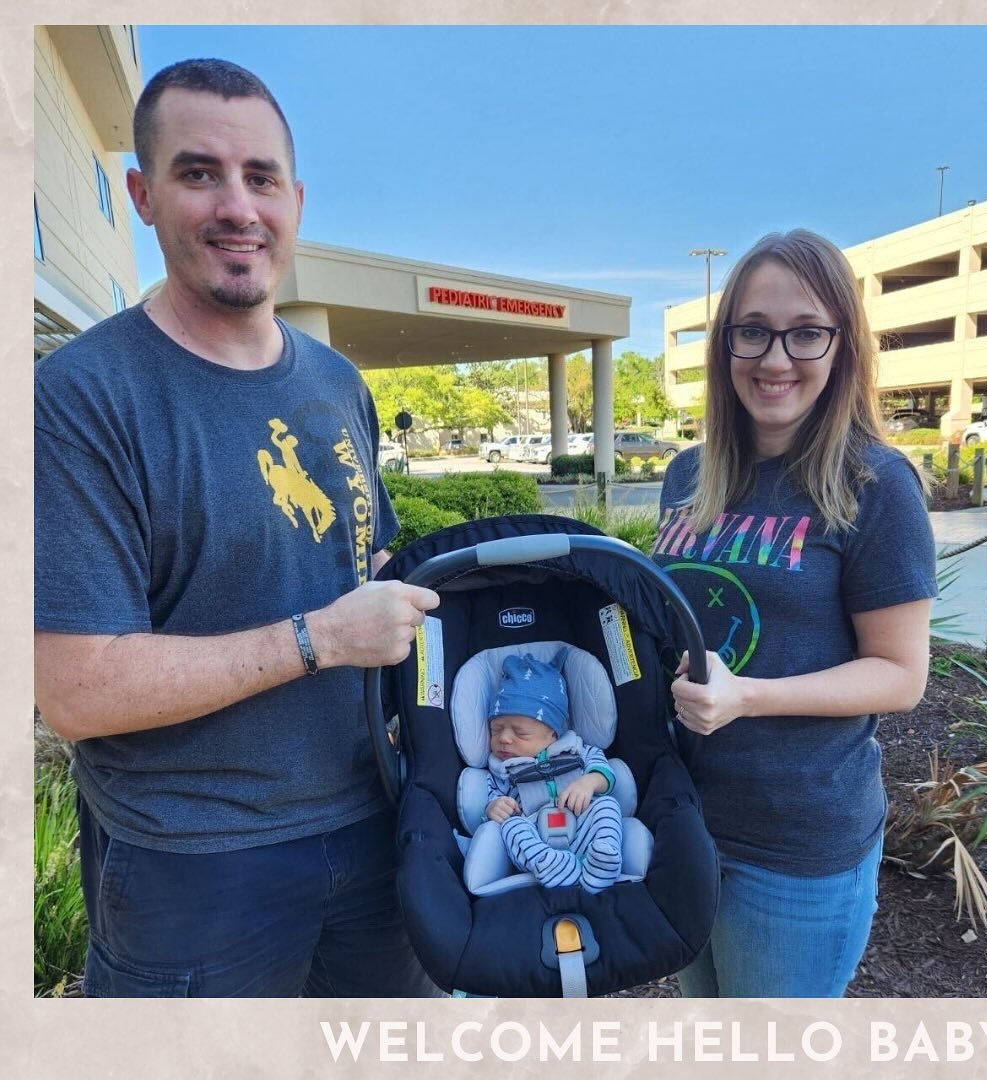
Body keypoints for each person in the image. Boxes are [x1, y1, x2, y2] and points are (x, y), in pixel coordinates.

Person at [33, 59, 442, 997]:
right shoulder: (83, 399)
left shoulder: (337, 383)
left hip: (379, 823)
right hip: (195, 866)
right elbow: (78, 691)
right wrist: (324, 638)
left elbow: (347, 559)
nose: (237, 206)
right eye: (197, 172)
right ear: (141, 194)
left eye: (260, 178)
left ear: (296, 199)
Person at [653, 229, 937, 997]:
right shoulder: (688, 473)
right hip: (682, 818)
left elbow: (902, 676)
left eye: (805, 332)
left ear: (841, 343)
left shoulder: (875, 484)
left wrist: (752, 697)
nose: (775, 358)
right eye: (752, 331)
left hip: (795, 844)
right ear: (726, 344)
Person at [483, 652, 622, 893]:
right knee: (510, 827)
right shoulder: (499, 770)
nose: (504, 739)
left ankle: (602, 858)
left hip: (581, 821)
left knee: (607, 806)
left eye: (520, 732)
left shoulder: (577, 751)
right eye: (496, 729)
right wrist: (493, 807)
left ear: (553, 734)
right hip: (535, 833)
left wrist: (589, 782)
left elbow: (605, 774)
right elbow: (491, 795)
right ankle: (551, 865)